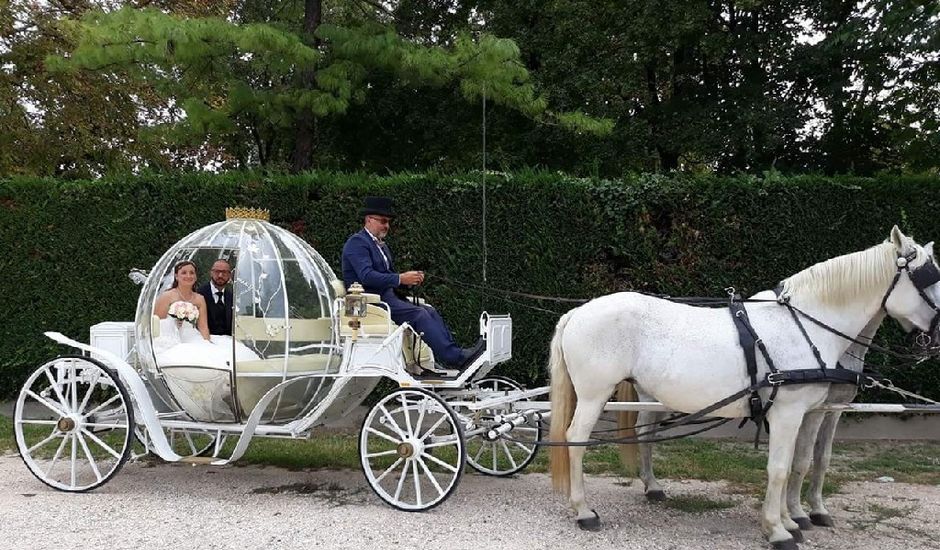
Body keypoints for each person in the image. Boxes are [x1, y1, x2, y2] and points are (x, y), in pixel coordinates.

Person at [341, 196, 485, 370]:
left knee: (429, 310)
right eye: (383, 221)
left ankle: (453, 354)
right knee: (419, 315)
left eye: (388, 222)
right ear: (369, 219)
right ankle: (455, 358)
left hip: (386, 297)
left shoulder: (381, 246)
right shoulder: (357, 243)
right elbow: (366, 276)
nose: (387, 226)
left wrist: (409, 280)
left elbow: (387, 276)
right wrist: (401, 278)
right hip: (368, 302)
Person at [197, 258, 234, 336]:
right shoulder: (199, 294)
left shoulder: (232, 296)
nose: (220, 275)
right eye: (217, 272)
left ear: (229, 275)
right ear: (211, 273)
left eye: (224, 272)